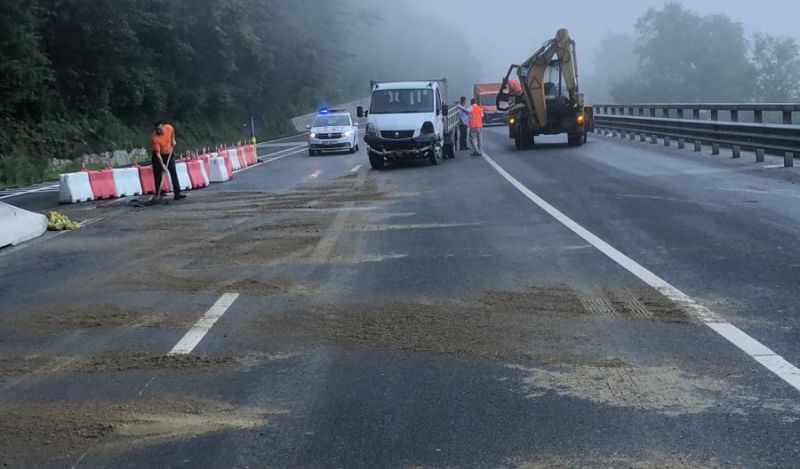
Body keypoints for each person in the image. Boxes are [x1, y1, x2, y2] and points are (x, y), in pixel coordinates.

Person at [150, 121, 185, 201]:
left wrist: (173, 140)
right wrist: (163, 166)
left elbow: (173, 131)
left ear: (163, 126)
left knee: (173, 172)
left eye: (160, 129)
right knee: (158, 174)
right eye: (157, 130)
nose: (158, 131)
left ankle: (177, 193)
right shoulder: (155, 138)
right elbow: (158, 154)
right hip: (158, 156)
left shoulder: (168, 128)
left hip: (169, 153)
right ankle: (159, 192)